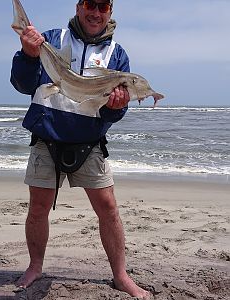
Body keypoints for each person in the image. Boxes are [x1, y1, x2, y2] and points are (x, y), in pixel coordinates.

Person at [10, 0, 151, 298]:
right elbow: (22, 84)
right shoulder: (52, 39)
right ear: (78, 7)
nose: (95, 12)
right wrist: (28, 53)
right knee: (38, 208)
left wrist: (116, 107)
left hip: (89, 144)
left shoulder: (117, 56)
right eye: (90, 4)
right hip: (46, 139)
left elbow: (112, 113)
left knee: (109, 209)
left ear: (110, 12)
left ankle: (120, 275)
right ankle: (35, 266)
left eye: (103, 7)